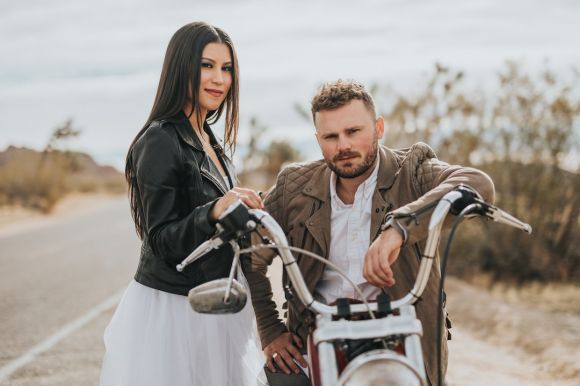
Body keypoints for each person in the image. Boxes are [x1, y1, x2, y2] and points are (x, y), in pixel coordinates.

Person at [245, 79, 495, 386]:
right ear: (317, 139)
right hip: (316, 336)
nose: (343, 146)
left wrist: (399, 229)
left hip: (400, 334)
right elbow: (252, 255)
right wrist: (270, 328)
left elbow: (477, 183)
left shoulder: (412, 170)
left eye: (353, 131)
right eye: (331, 136)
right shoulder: (293, 186)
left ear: (378, 127)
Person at [99, 22, 266, 386]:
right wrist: (213, 211)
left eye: (226, 69)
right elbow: (159, 237)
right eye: (206, 65)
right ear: (181, 67)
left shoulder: (209, 139)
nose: (219, 78)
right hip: (175, 310)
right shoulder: (160, 139)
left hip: (216, 301)